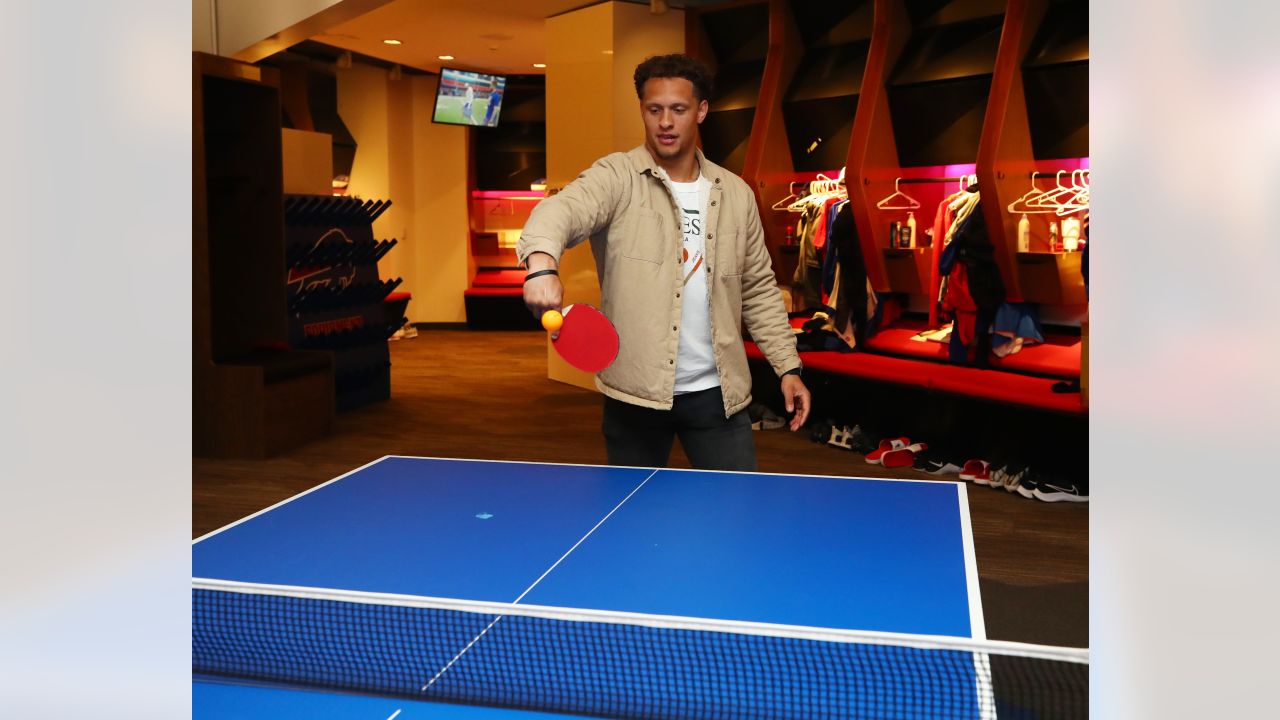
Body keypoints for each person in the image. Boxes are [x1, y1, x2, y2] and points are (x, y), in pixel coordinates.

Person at [518, 53, 809, 472]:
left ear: (701, 111)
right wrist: (542, 264)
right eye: (655, 110)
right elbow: (561, 209)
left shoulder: (736, 194)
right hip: (634, 395)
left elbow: (758, 289)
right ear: (642, 110)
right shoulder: (616, 177)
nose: (666, 122)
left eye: (678, 109)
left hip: (718, 397)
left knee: (735, 515)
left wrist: (788, 367)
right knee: (630, 521)